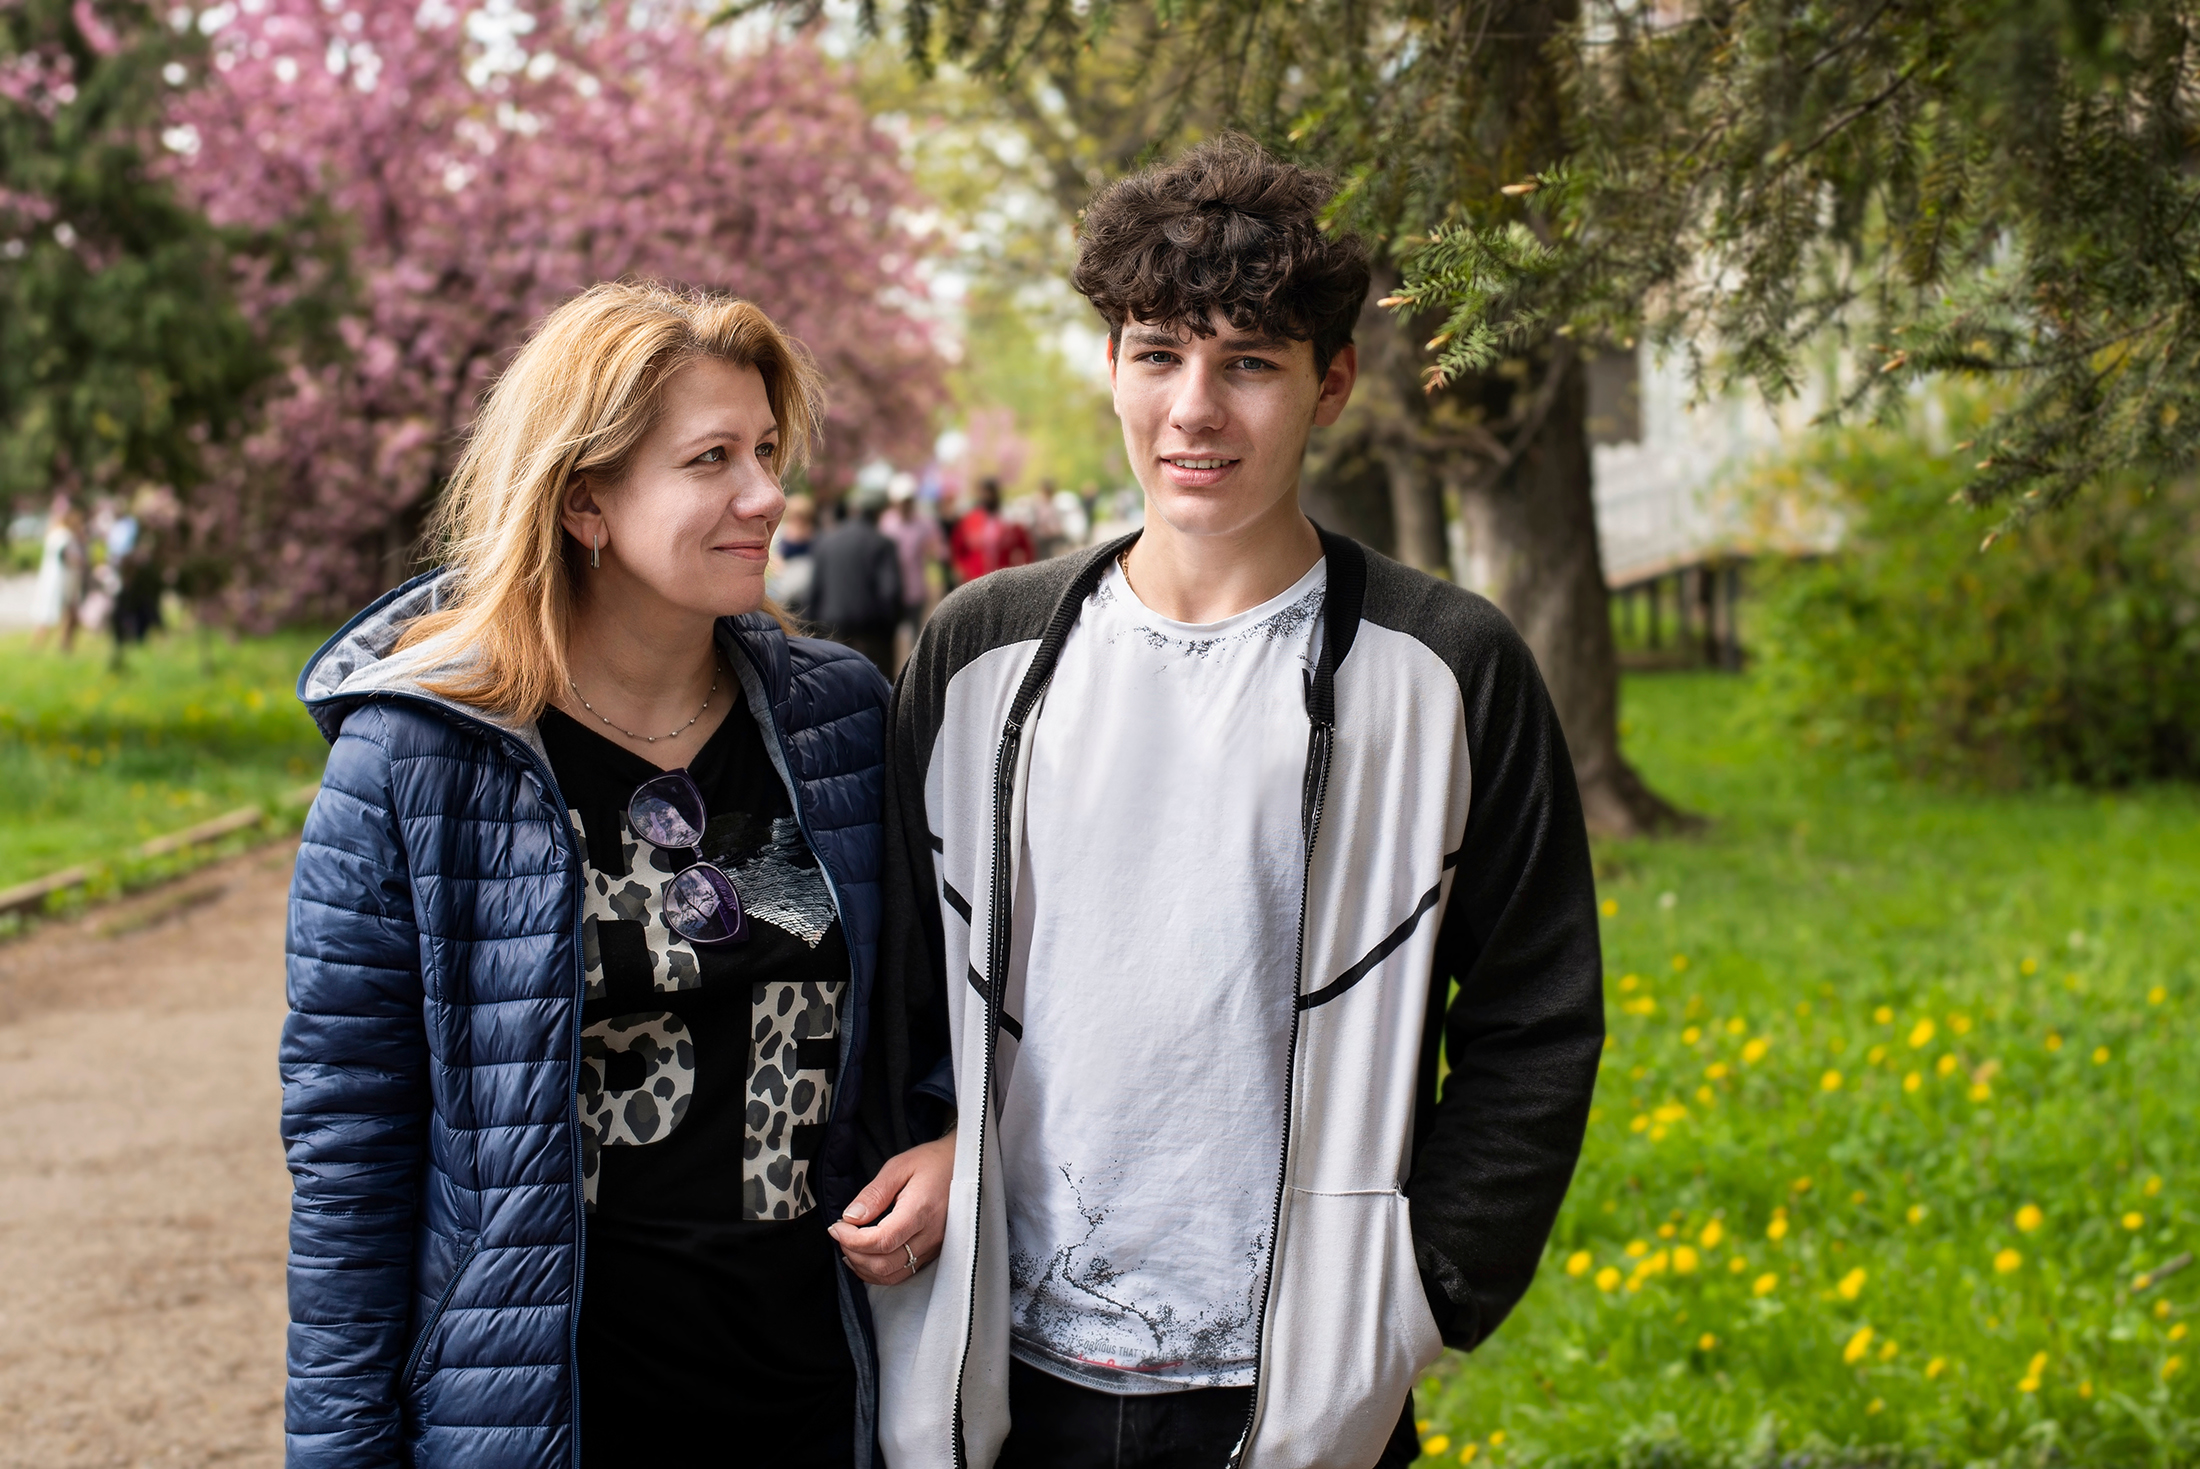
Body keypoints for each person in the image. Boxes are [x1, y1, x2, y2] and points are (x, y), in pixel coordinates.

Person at [854, 136, 1603, 1468]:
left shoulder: (1445, 667)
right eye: (1159, 354)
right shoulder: (979, 655)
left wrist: (1422, 1290)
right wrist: (935, 1138)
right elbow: (911, 971)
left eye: (1249, 363)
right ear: (1114, 366)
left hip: (1301, 1371)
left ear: (1332, 382)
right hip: (1008, 1365)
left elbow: (1536, 1012)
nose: (1195, 409)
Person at [282, 282, 954, 1469]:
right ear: (584, 499)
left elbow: (930, 1011)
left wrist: (954, 1143)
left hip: (814, 1386)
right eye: (711, 460)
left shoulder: (841, 716)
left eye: (763, 451)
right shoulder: (414, 760)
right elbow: (350, 1159)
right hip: (554, 1409)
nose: (766, 496)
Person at [808, 483, 904, 677]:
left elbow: (814, 592)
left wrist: (812, 634)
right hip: (872, 636)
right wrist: (892, 629)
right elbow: (890, 592)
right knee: (878, 694)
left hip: (832, 634)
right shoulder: (881, 543)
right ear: (879, 512)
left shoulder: (826, 541)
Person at [879, 472, 946, 646]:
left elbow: (938, 550)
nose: (906, 505)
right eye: (902, 501)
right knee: (893, 637)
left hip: (916, 589)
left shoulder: (924, 524)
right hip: (893, 589)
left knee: (916, 638)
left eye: (909, 501)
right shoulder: (886, 523)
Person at [947, 476, 1034, 585]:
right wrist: (962, 568)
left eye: (991, 493)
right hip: (975, 581)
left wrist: (1022, 569)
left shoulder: (1008, 521)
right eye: (984, 493)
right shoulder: (970, 521)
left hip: (1003, 580)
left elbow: (1026, 546)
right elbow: (957, 548)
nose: (988, 497)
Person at [29, 495, 85, 652]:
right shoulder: (62, 535)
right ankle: (39, 649)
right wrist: (81, 561)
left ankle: (64, 647)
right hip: (59, 583)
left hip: (64, 582)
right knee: (50, 617)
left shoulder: (59, 533)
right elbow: (65, 555)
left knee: (66, 616)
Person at [769, 491, 819, 616]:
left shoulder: (815, 536)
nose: (797, 520)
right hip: (780, 584)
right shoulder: (780, 532)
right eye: (794, 516)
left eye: (800, 517)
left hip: (802, 590)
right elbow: (775, 558)